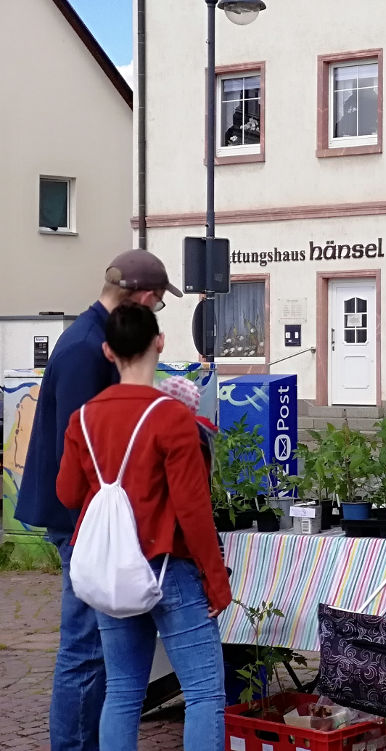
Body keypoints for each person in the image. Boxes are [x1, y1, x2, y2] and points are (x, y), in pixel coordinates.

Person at [14, 249, 180, 751]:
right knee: (86, 651)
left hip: (83, 516)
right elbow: (87, 451)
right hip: (82, 520)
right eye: (159, 304)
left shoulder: (89, 338)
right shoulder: (88, 349)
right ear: (146, 297)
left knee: (91, 649)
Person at [56, 302, 231, 751]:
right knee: (204, 693)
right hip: (168, 566)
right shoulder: (171, 416)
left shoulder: (85, 418)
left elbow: (68, 494)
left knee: (122, 692)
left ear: (108, 352)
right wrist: (216, 580)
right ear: (160, 342)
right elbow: (193, 510)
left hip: (113, 571)